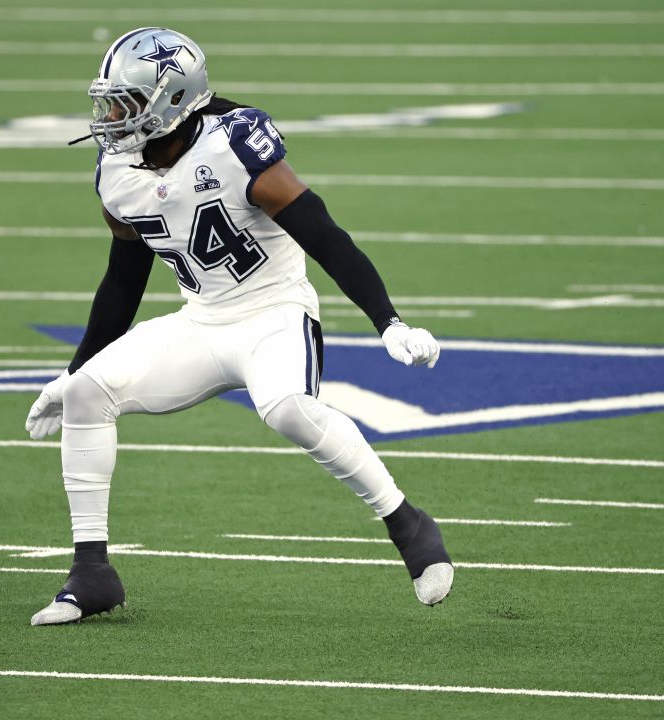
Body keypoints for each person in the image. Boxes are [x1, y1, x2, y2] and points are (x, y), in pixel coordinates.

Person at [23, 27, 453, 626]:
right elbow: (123, 281)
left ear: (171, 101)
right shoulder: (117, 171)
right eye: (108, 101)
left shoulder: (235, 146)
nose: (110, 116)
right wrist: (73, 372)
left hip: (275, 312)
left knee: (285, 408)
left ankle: (407, 524)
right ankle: (92, 573)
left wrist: (387, 319)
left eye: (124, 102)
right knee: (89, 394)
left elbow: (321, 231)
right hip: (201, 321)